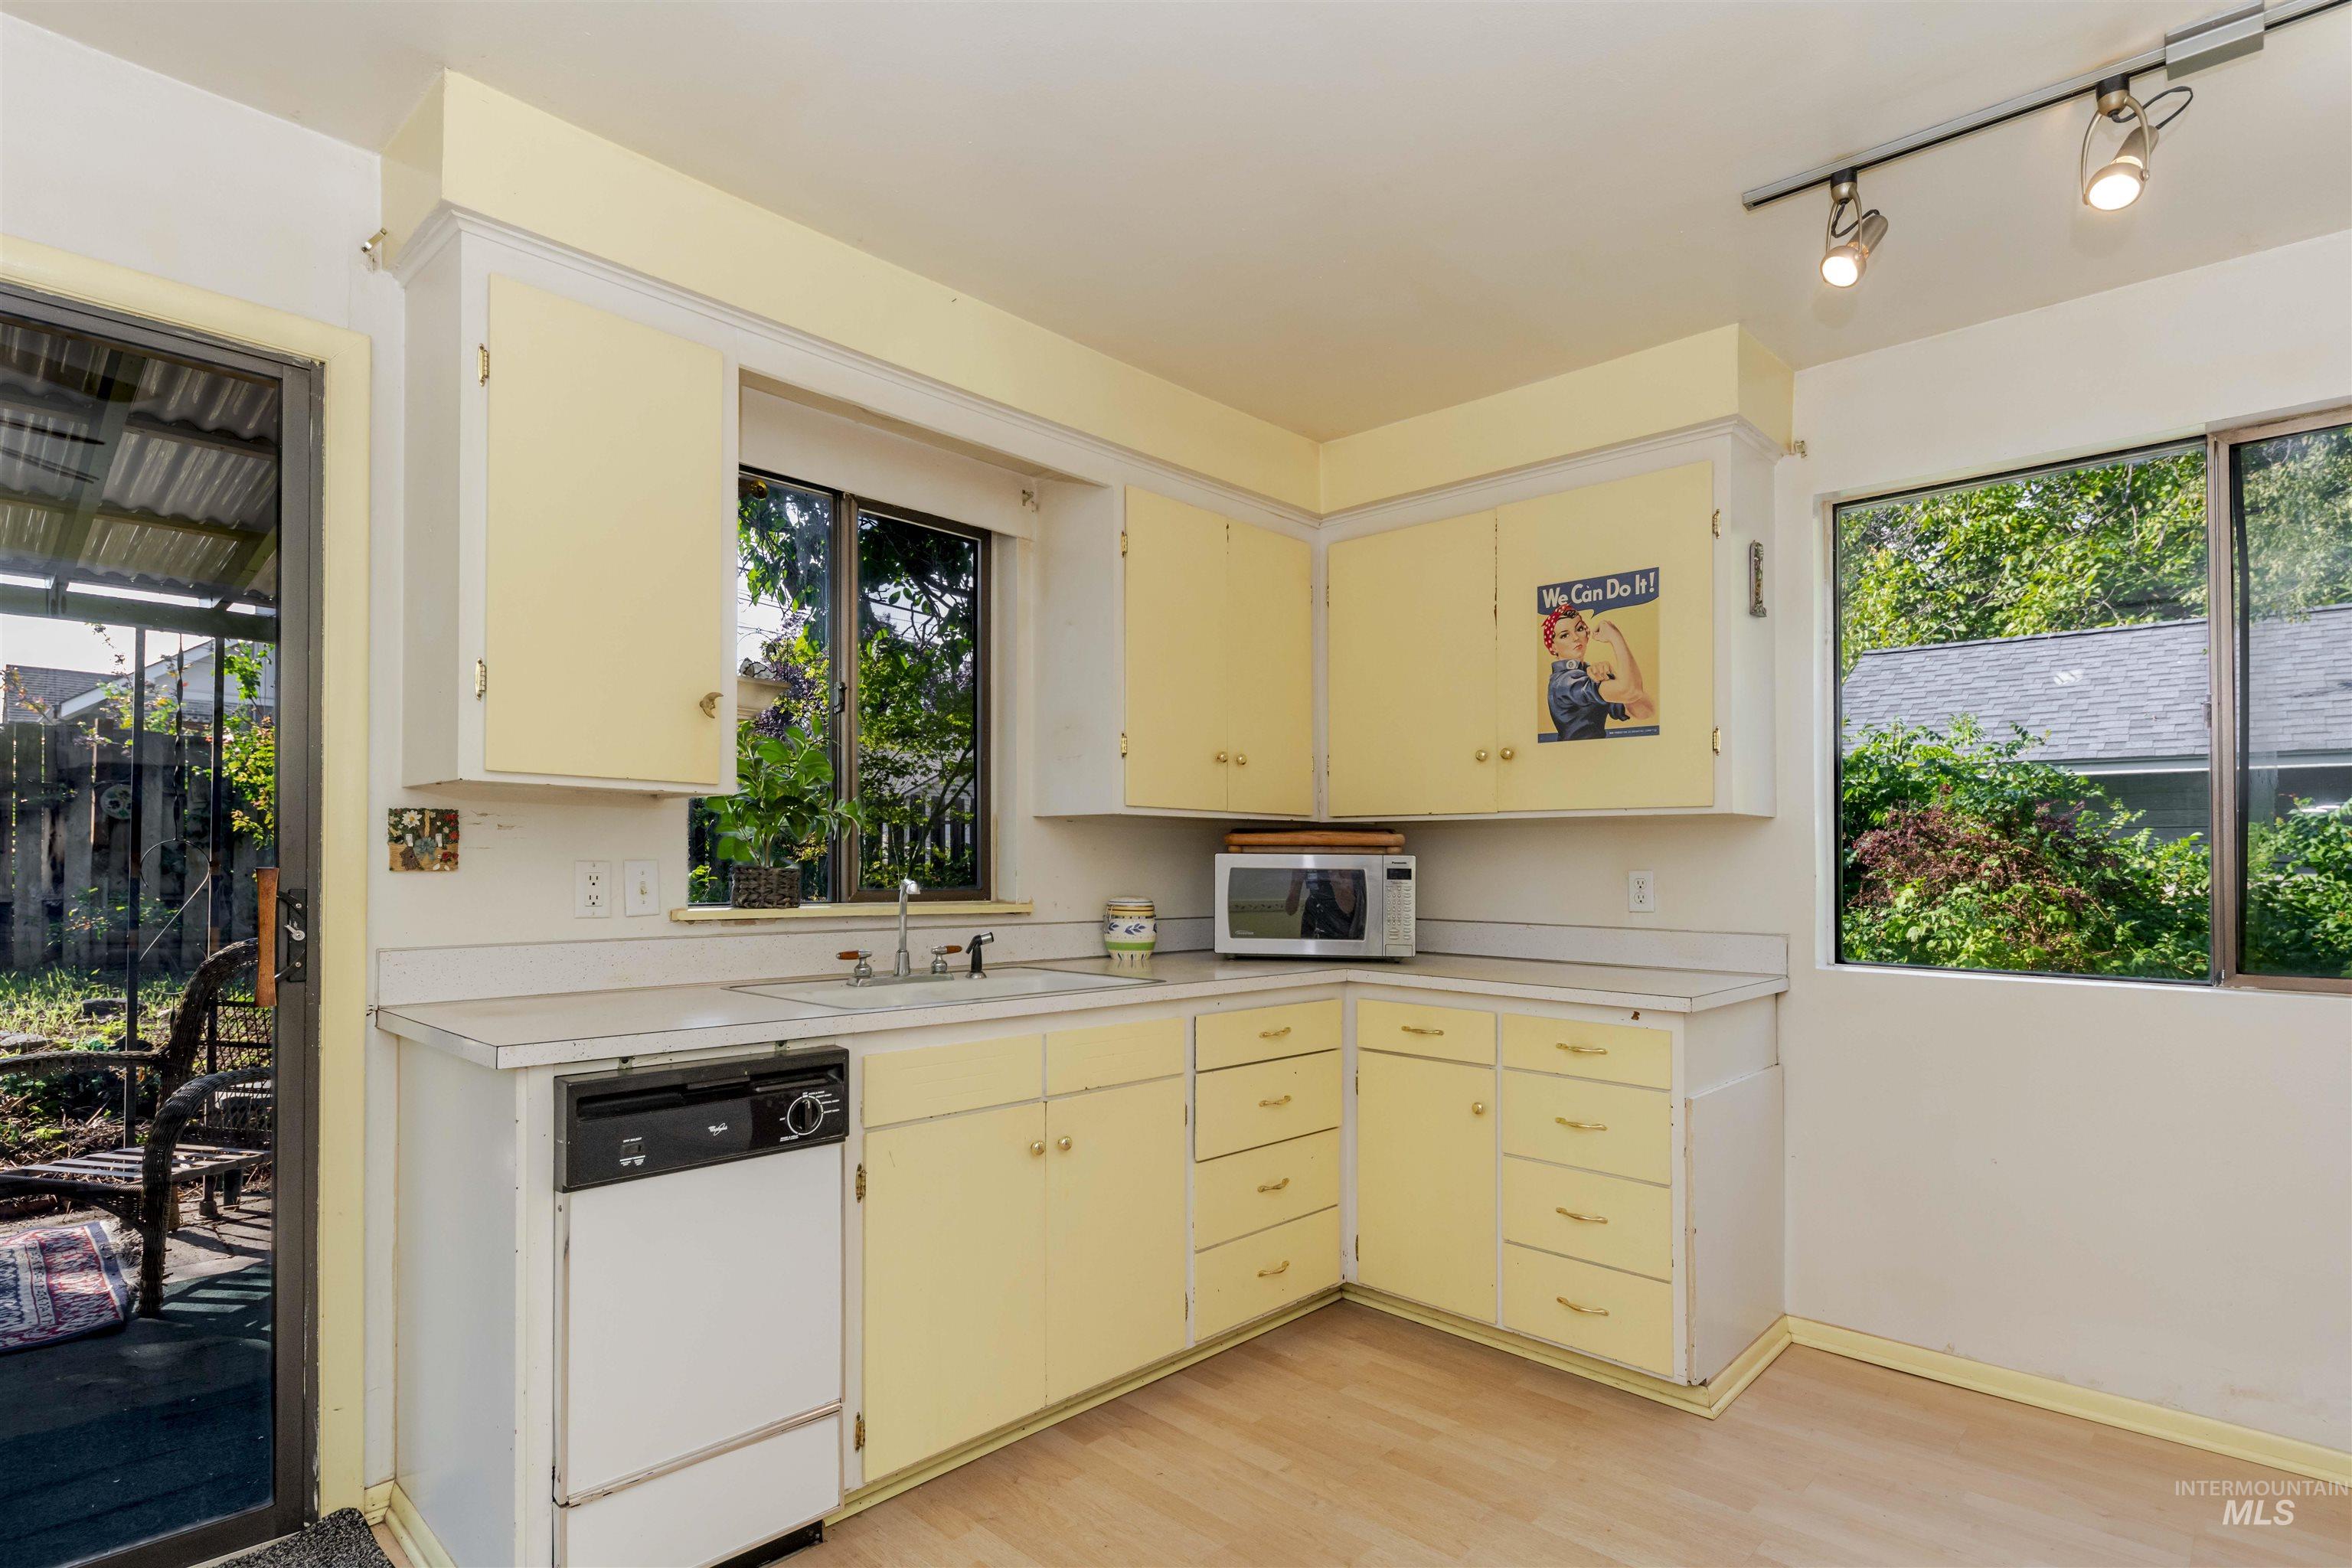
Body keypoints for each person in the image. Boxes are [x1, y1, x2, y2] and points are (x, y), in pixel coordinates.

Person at [1542, 605, 1657, 741]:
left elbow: (1645, 712)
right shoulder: (1564, 682)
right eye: (1565, 635)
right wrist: (1615, 636)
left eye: (1579, 629)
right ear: (1553, 647)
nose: (1575, 638)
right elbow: (1631, 691)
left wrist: (1612, 675)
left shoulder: (1587, 673)